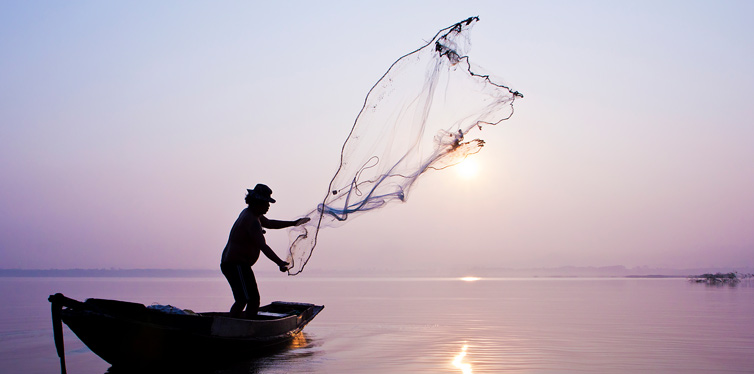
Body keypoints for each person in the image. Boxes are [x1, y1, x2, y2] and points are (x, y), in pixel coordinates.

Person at [220, 184, 310, 319]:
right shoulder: (251, 220)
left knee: (248, 298)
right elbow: (263, 246)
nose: (268, 206)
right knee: (248, 299)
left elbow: (271, 223)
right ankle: (239, 328)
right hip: (235, 265)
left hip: (236, 265)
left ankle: (240, 325)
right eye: (266, 203)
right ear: (257, 202)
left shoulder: (252, 214)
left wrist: (293, 223)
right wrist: (279, 262)